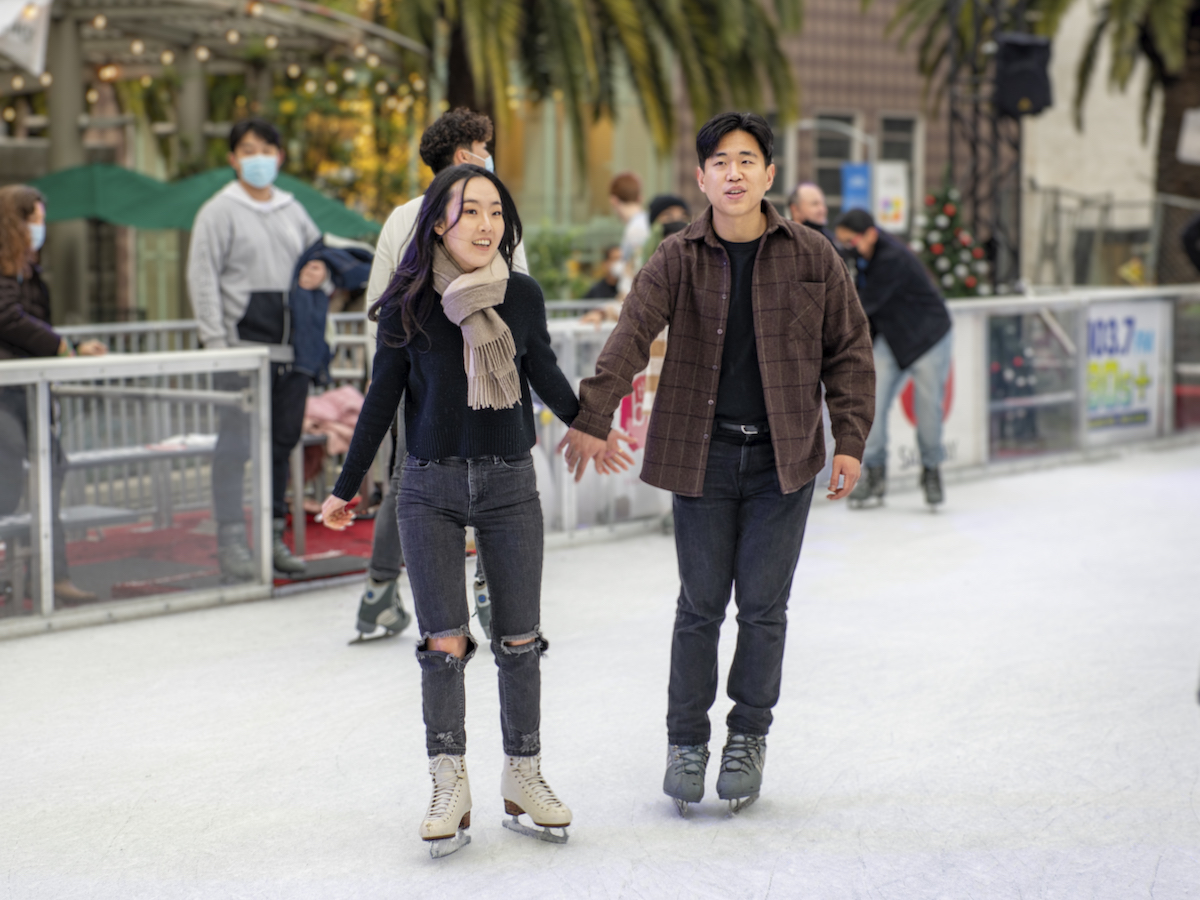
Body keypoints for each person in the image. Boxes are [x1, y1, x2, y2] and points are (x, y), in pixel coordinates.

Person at [558, 112, 875, 816]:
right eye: (719, 162)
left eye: (747, 160)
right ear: (701, 178)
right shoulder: (677, 256)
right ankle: (685, 742)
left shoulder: (812, 256)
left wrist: (849, 438)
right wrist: (593, 413)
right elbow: (632, 333)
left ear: (768, 175)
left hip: (780, 462)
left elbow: (849, 348)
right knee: (699, 608)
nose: (733, 172)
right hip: (700, 458)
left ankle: (748, 735)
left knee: (763, 611)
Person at [320, 164, 631, 857]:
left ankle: (523, 773)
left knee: (519, 638)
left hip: (509, 483)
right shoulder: (407, 305)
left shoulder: (521, 295)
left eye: (496, 212)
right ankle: (449, 781)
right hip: (427, 485)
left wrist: (592, 425)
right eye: (470, 212)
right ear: (438, 222)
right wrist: (345, 487)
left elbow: (543, 372)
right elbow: (379, 401)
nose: (486, 224)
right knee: (444, 642)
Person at [353, 107, 530, 642]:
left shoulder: (400, 216)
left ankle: (379, 592)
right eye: (485, 147)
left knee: (412, 482)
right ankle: (493, 597)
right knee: (496, 482)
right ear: (464, 156)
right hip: (488, 378)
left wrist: (388, 377)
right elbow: (518, 298)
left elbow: (379, 303)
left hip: (420, 385)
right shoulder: (492, 214)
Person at [187, 118, 329, 581]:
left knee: (280, 446)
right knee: (234, 447)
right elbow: (202, 277)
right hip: (241, 350)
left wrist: (319, 275)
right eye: (247, 149)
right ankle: (231, 540)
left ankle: (271, 537)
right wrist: (217, 344)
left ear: (280, 156)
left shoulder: (293, 211)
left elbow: (320, 260)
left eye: (267, 148)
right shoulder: (217, 211)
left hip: (292, 353)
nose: (258, 158)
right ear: (232, 158)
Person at [0, 185, 107, 604]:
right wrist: (62, 346)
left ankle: (52, 575)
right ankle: (22, 576)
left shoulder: (25, 267)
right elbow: (9, 318)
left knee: (51, 474)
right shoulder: (7, 267)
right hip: (9, 393)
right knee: (10, 484)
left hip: (27, 391)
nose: (41, 229)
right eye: (36, 220)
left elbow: (25, 322)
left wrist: (68, 346)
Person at [834, 208, 953, 508]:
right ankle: (875, 475)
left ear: (870, 234)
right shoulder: (865, 258)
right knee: (869, 404)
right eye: (843, 242)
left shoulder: (892, 259)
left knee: (927, 410)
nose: (847, 248)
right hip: (894, 339)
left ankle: (931, 471)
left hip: (929, 339)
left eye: (851, 241)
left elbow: (862, 307)